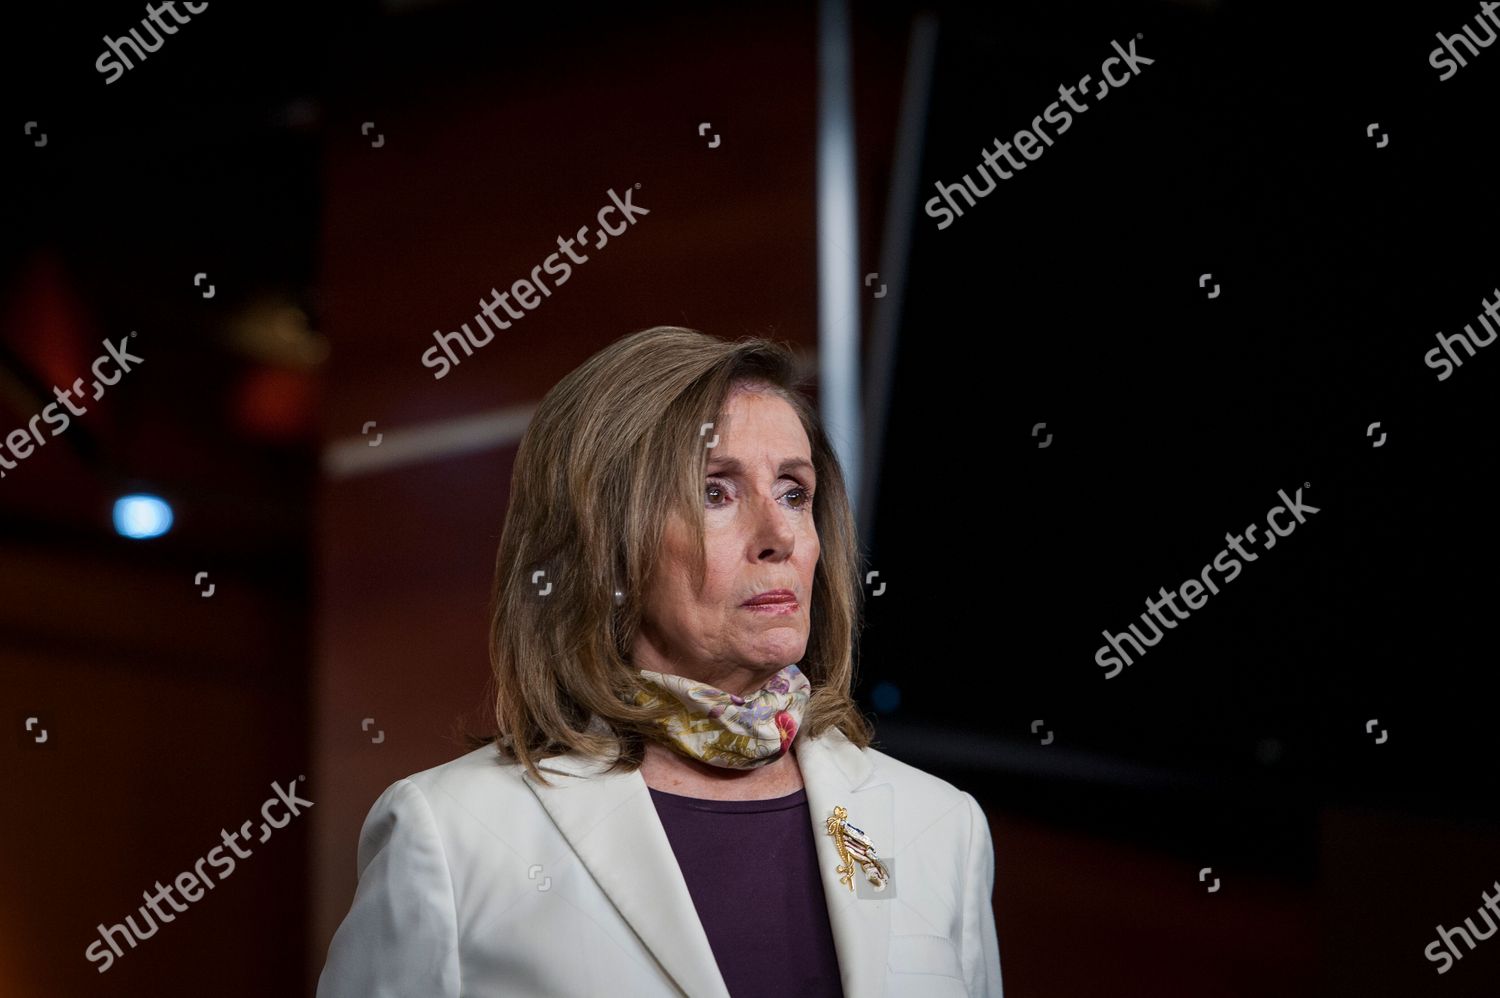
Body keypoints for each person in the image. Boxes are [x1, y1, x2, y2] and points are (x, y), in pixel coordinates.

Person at [316, 326, 1003, 997]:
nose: (780, 536)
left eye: (795, 492)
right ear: (601, 540)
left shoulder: (940, 828)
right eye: (715, 491)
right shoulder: (449, 836)